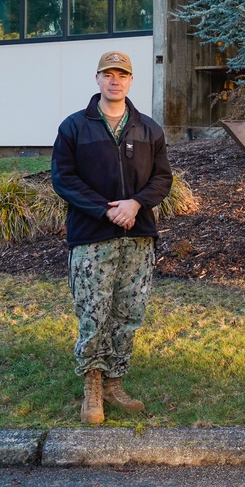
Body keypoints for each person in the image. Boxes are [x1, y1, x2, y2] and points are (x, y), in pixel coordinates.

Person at [51, 51, 172, 424]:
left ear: (131, 81)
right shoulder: (75, 127)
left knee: (128, 313)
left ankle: (114, 383)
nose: (114, 80)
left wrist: (135, 205)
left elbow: (162, 179)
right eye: (108, 74)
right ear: (97, 79)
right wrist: (106, 210)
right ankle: (92, 386)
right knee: (93, 314)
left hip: (138, 238)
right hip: (91, 238)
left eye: (122, 75)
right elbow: (63, 179)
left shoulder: (148, 129)